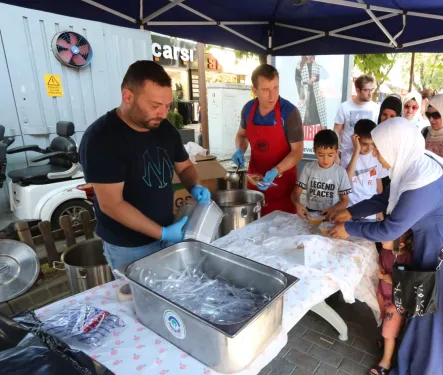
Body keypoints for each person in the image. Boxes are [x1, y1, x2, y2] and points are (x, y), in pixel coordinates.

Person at [327, 117, 443, 375]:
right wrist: (350, 212)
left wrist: (349, 228)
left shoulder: (423, 182)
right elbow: (385, 198)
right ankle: (420, 359)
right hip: (438, 251)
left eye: (379, 149)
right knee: (426, 313)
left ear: (396, 145)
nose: (377, 155)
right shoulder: (414, 165)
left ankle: (437, 368)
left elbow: (390, 228)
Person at [79, 60, 211, 270]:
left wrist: (194, 185)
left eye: (167, 106)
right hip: (129, 247)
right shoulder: (101, 138)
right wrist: (162, 233)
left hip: (167, 234)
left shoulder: (165, 129)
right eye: (154, 106)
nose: (163, 113)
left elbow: (184, 167)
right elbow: (112, 204)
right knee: (137, 301)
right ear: (128, 97)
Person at [232, 64, 304, 215]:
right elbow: (241, 135)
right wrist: (240, 149)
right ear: (255, 91)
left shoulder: (290, 112)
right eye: (266, 90)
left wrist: (276, 171)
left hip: (283, 186)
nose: (272, 96)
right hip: (255, 182)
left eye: (275, 88)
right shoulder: (248, 109)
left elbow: (297, 152)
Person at [371, 230, 412, 375]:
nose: (382, 239)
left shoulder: (407, 258)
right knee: (384, 321)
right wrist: (380, 270)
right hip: (383, 295)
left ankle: (386, 362)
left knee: (389, 331)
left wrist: (394, 280)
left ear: (400, 245)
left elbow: (410, 281)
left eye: (386, 238)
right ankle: (388, 340)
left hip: (397, 303)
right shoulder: (385, 251)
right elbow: (381, 263)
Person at [291, 129, 351, 218]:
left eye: (330, 155)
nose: (325, 160)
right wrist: (298, 204)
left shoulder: (341, 172)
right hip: (310, 214)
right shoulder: (308, 168)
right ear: (314, 151)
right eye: (321, 155)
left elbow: (345, 200)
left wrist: (334, 209)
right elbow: (296, 192)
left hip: (331, 215)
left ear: (336, 152)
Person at [343, 119, 387, 221]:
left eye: (372, 144)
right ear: (355, 139)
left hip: (370, 210)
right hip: (349, 209)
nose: (368, 148)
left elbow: (378, 185)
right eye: (364, 144)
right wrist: (356, 151)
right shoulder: (348, 154)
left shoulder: (377, 155)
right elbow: (346, 179)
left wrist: (379, 210)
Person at [333, 75, 380, 165]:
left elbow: (377, 133)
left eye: (371, 90)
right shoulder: (344, 107)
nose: (370, 93)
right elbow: (336, 132)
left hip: (367, 156)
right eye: (366, 90)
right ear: (358, 90)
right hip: (346, 155)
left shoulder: (376, 108)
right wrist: (336, 155)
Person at [295, 55, 327, 126]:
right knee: (305, 113)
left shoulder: (316, 64)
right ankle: (306, 132)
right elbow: (298, 82)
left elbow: (326, 74)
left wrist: (316, 77)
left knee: (316, 113)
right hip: (306, 91)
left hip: (316, 92)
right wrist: (302, 97)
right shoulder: (299, 65)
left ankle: (315, 131)